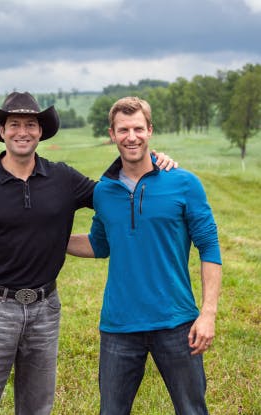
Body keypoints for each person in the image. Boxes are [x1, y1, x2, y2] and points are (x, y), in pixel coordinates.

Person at [0, 91, 176, 415]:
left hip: (45, 309)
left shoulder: (62, 178)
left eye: (31, 124)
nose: (23, 131)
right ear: (1, 131)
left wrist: (152, 160)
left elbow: (112, 193)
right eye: (15, 124)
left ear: (40, 132)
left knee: (38, 408)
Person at [67, 96, 222, 415]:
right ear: (112, 134)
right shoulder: (103, 191)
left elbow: (209, 247)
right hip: (119, 326)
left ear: (150, 130)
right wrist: (47, 239)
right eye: (123, 129)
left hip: (177, 323)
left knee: (192, 410)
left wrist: (208, 314)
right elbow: (99, 245)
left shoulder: (184, 184)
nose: (131, 136)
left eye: (138, 128)